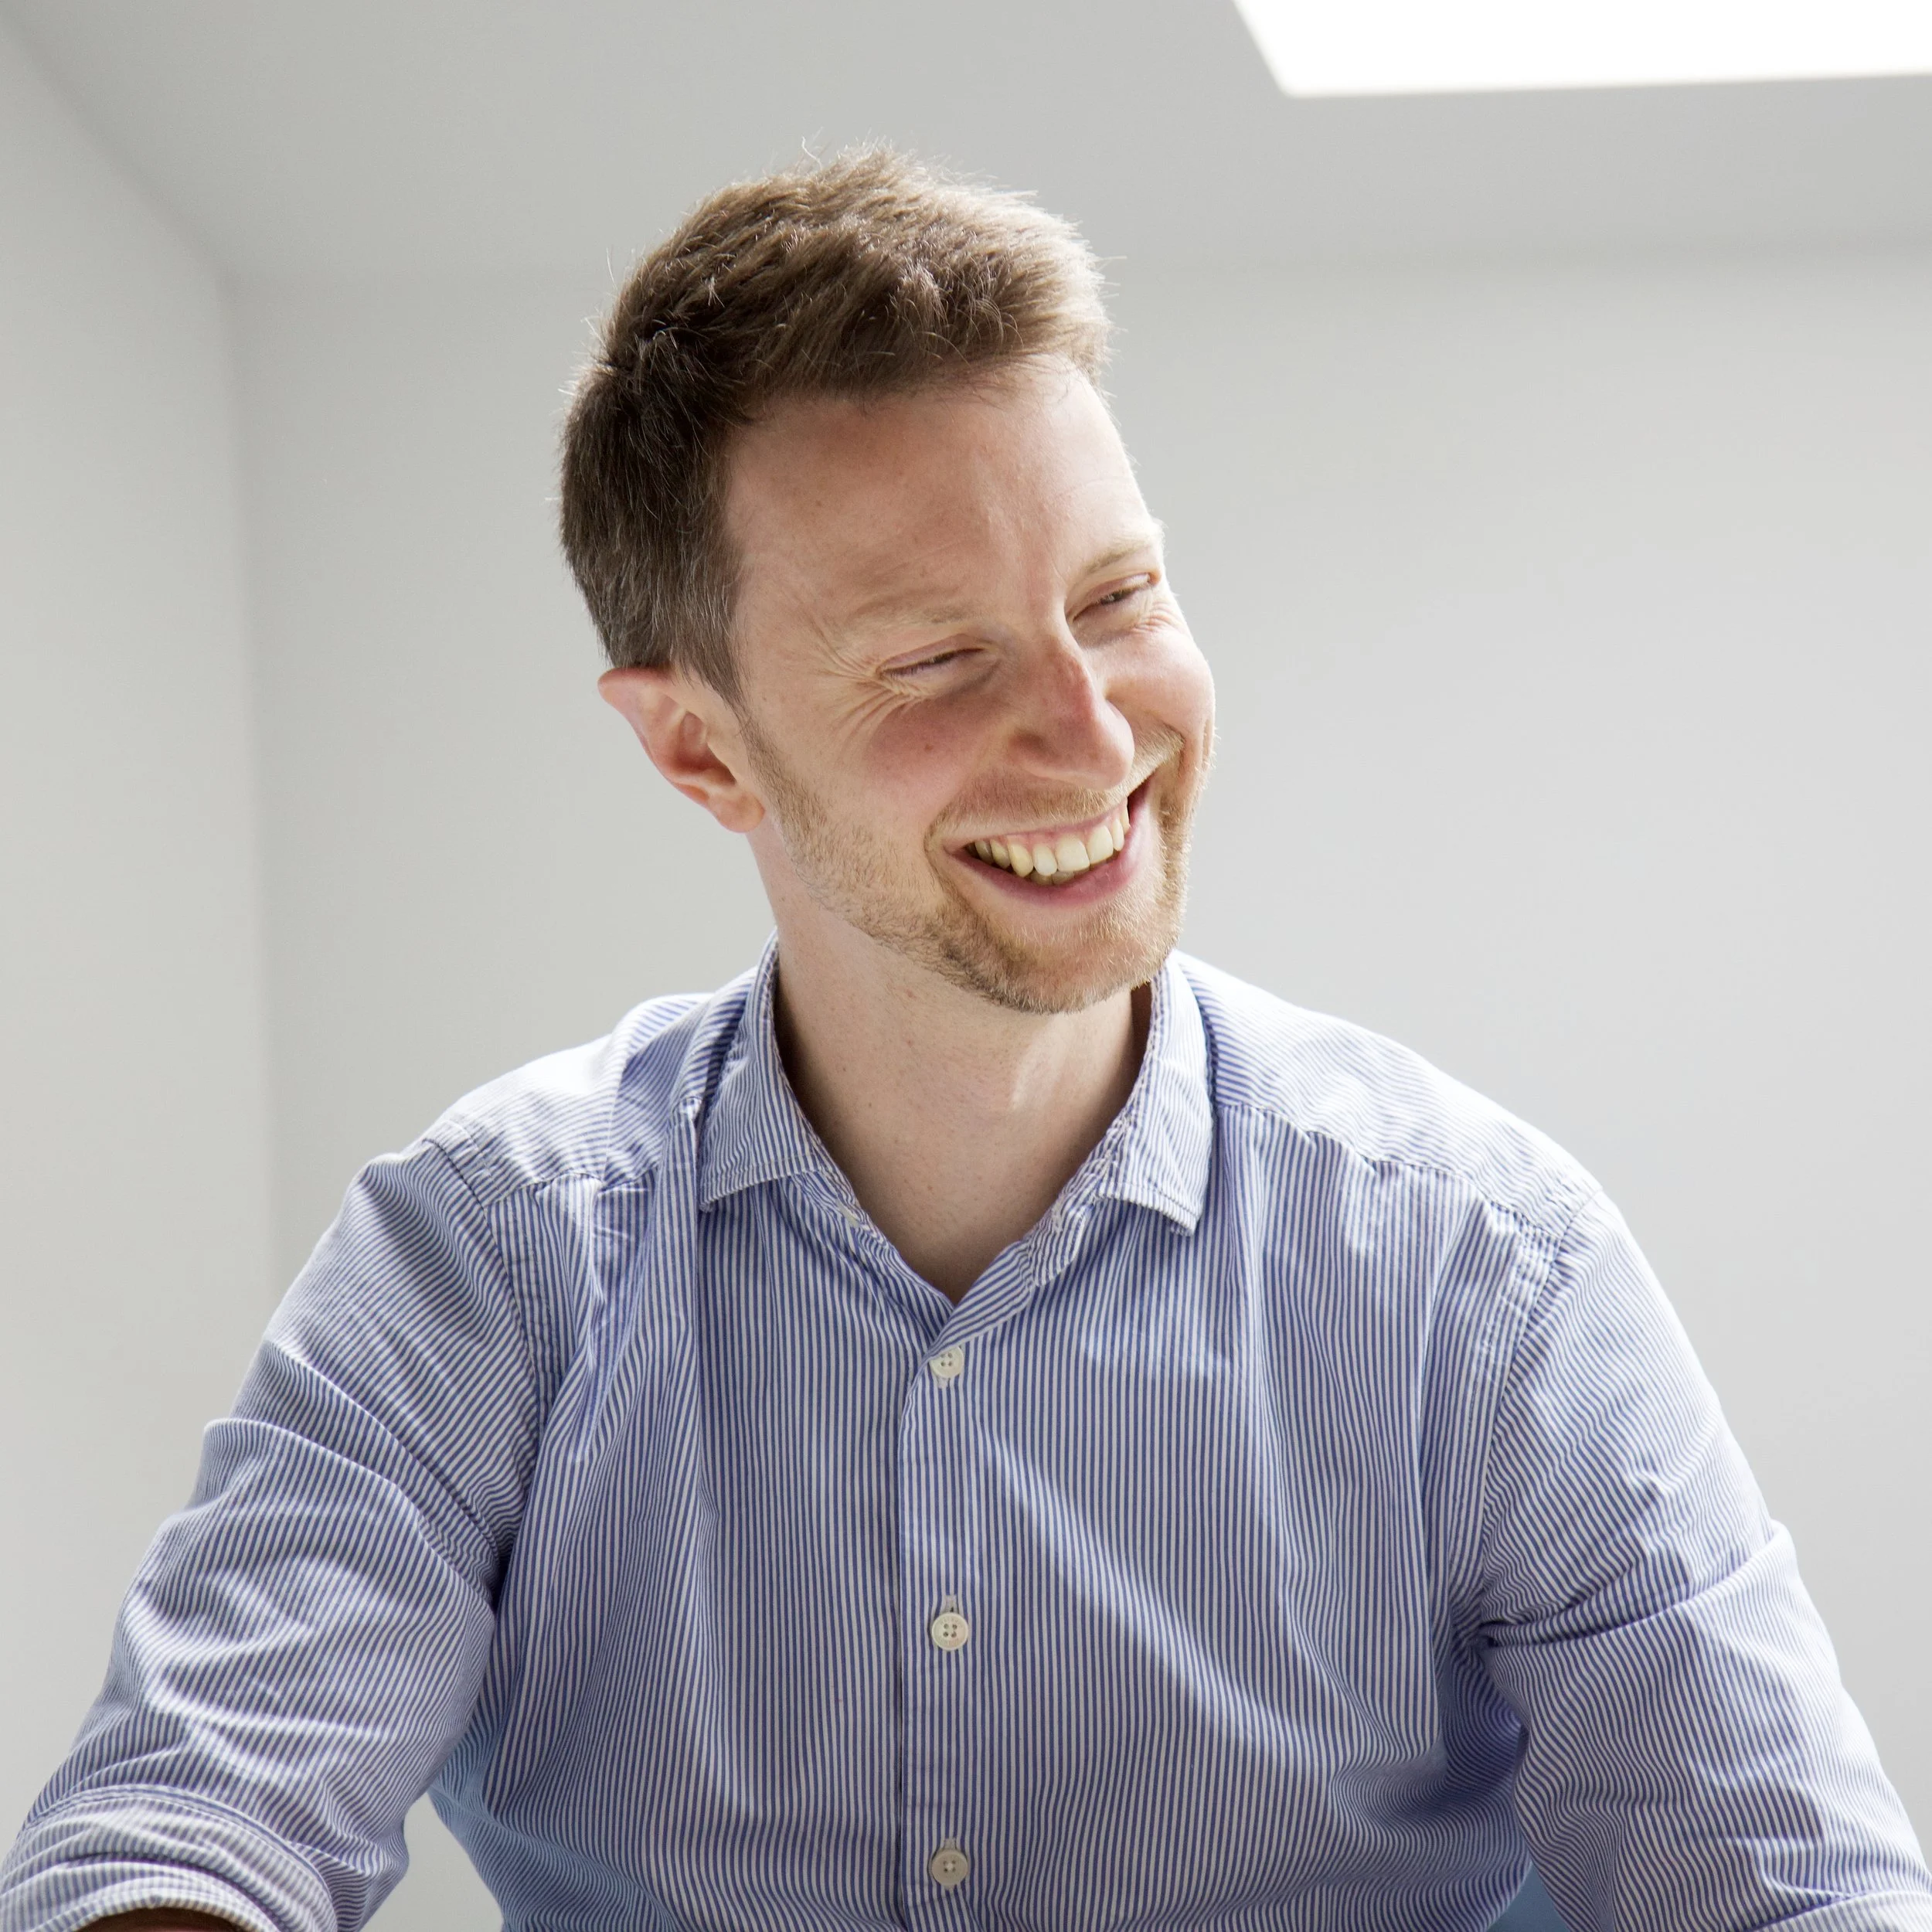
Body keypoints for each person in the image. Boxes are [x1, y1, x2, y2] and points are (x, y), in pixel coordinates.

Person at [3, 148, 1927, 1932]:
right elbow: (178, 1828)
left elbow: (1789, 1886)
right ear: (698, 747)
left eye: (1117, 596)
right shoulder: (490, 1261)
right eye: (935, 658)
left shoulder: (1481, 1267)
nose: (1091, 736)